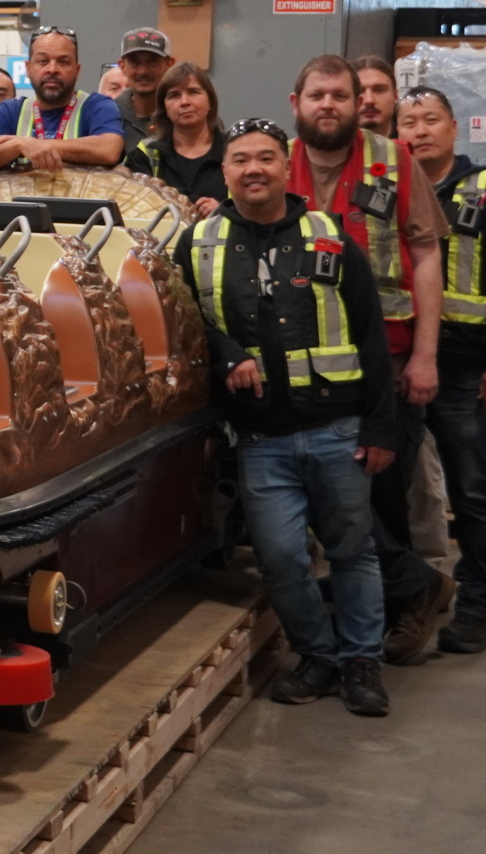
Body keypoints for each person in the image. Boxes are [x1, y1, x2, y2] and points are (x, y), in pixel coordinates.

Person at [174, 118, 396, 718]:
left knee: (353, 550)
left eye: (266, 158)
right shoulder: (197, 242)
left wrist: (381, 428)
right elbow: (185, 322)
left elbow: (372, 337)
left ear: (284, 167)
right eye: (241, 159)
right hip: (260, 436)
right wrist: (226, 355)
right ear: (224, 171)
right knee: (279, 556)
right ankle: (317, 654)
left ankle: (361, 664)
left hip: (338, 428)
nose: (253, 169)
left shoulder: (328, 236)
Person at [284, 54, 453, 662]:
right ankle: (412, 592)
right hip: (309, 367)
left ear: (360, 104)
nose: (328, 105)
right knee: (332, 499)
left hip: (390, 360)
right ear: (295, 101)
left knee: (383, 498)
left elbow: (428, 257)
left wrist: (426, 357)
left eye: (339, 95)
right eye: (317, 95)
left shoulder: (394, 161)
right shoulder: (275, 164)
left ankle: (401, 606)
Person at [397, 86, 486, 654]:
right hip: (402, 360)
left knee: (472, 491)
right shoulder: (388, 189)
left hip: (465, 368)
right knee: (394, 488)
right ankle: (410, 593)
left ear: (454, 129)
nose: (421, 131)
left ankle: (478, 608)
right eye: (410, 122)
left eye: (431, 120)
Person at [0, 27, 125, 173]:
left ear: (77, 71)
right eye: (43, 61)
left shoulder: (97, 106)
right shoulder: (11, 111)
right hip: (22, 203)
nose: (52, 69)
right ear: (27, 68)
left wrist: (40, 146)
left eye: (63, 62)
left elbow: (109, 149)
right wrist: (21, 144)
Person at [123, 61, 227, 215]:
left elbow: (260, 207)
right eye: (174, 95)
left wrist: (225, 211)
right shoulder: (145, 156)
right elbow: (131, 209)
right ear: (163, 107)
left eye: (193, 92)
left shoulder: (235, 151)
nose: (185, 102)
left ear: (210, 101)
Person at [115, 28, 176, 146]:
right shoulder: (109, 116)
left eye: (152, 61)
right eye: (134, 62)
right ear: (122, 66)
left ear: (169, 64)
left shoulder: (184, 114)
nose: (143, 71)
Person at [354, 55, 400, 134]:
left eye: (379, 90)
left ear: (395, 96)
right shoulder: (330, 144)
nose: (369, 100)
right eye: (359, 91)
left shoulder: (412, 143)